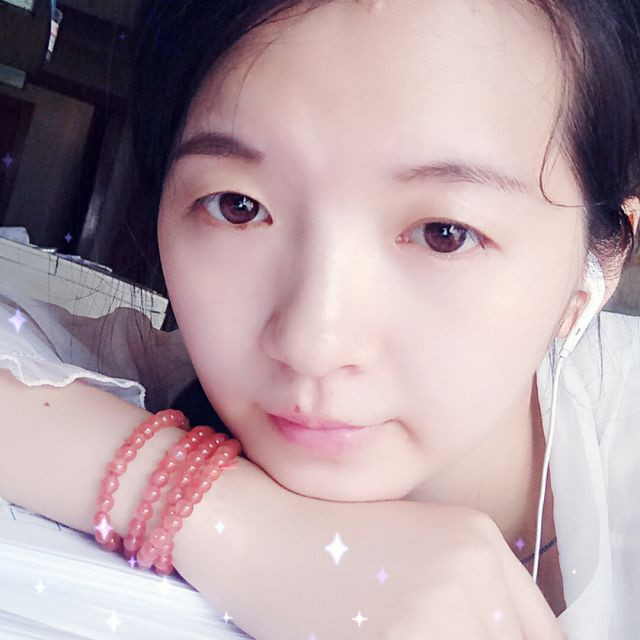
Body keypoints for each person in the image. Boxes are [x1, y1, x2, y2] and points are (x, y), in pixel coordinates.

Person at [1, 0, 639, 637]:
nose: (312, 342)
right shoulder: (125, 385)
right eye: (238, 206)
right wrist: (238, 525)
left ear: (595, 269)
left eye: (444, 233)